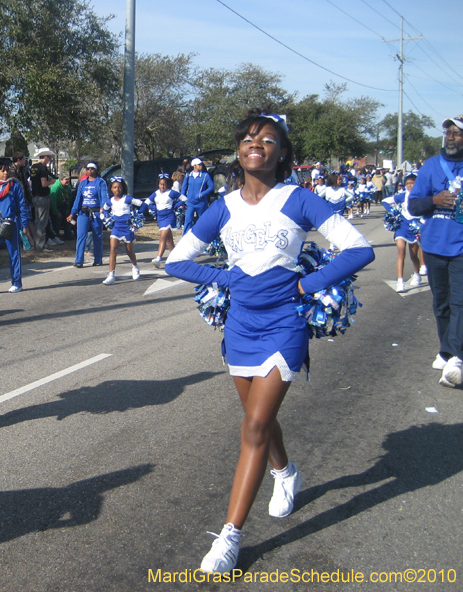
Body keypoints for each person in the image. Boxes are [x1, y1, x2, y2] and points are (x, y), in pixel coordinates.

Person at [165, 109, 374, 574]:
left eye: (267, 138)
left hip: (285, 324)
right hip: (240, 326)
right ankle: (285, 472)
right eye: (248, 137)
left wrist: (304, 286)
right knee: (258, 419)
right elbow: (176, 262)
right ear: (238, 151)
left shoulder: (298, 199)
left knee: (256, 426)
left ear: (282, 153)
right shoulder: (223, 206)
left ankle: (230, 538)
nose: (255, 143)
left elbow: (360, 248)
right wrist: (225, 280)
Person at [408, 113, 463, 388]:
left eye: (457, 133)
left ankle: (455, 357)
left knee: (462, 303)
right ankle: (446, 350)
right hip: (433, 246)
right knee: (441, 303)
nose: (451, 137)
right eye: (448, 132)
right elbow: (413, 206)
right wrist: (435, 199)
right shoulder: (431, 166)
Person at [0, 160, 30, 294]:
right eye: (2, 170)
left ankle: (17, 283)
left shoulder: (15, 186)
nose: (6, 173)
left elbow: (22, 206)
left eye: (7, 170)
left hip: (11, 223)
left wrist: (24, 224)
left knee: (14, 253)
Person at [382, 173, 425, 293]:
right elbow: (385, 201)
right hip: (402, 226)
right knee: (401, 251)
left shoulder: (421, 195)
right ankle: (400, 281)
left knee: (413, 255)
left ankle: (417, 274)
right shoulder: (402, 196)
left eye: (412, 183)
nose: (410, 185)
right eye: (407, 183)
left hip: (414, 227)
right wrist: (393, 211)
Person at [99, 176, 142, 284]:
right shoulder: (110, 201)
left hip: (127, 228)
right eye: (114, 187)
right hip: (116, 228)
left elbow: (142, 204)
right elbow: (104, 209)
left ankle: (135, 267)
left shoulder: (127, 199)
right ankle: (111, 275)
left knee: (129, 251)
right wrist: (106, 217)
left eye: (119, 187)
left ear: (123, 188)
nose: (117, 189)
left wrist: (137, 216)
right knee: (113, 249)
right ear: (111, 189)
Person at [68, 162, 108, 268]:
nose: (90, 170)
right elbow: (78, 199)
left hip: (96, 212)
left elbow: (104, 197)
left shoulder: (100, 182)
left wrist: (104, 209)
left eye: (92, 168)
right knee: (81, 236)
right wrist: (73, 213)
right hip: (83, 212)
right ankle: (79, 260)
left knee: (97, 236)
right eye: (88, 169)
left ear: (96, 170)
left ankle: (98, 259)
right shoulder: (82, 183)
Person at [142, 174, 186, 268]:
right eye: (161, 184)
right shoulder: (156, 193)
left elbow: (184, 198)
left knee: (163, 236)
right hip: (160, 217)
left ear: (168, 184)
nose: (163, 187)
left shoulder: (172, 192)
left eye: (165, 185)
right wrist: (153, 208)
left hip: (169, 216)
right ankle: (177, 258)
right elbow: (147, 202)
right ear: (158, 184)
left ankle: (158, 258)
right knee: (169, 239)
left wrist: (175, 206)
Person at [29, 148, 57, 253]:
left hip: (35, 195)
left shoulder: (33, 167)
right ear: (45, 157)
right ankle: (40, 246)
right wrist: (52, 182)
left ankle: (37, 244)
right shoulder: (43, 168)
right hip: (42, 196)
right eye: (49, 157)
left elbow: (31, 183)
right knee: (42, 222)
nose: (49, 159)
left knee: (37, 221)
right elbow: (44, 183)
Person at [181, 158, 214, 233]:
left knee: (201, 220)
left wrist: (202, 194)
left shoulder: (205, 175)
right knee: (188, 220)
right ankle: (185, 237)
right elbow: (184, 187)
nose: (201, 165)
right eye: (199, 164)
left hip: (201, 203)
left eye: (201, 164)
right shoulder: (188, 175)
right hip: (190, 202)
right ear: (194, 166)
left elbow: (211, 187)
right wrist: (182, 198)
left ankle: (202, 236)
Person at [49, 174, 72, 242]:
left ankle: (68, 234)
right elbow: (52, 201)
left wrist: (68, 208)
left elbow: (69, 198)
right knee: (56, 221)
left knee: (68, 219)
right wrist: (56, 212)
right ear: (61, 180)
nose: (68, 181)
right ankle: (56, 236)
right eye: (66, 179)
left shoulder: (68, 187)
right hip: (56, 206)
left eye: (68, 179)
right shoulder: (55, 187)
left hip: (64, 205)